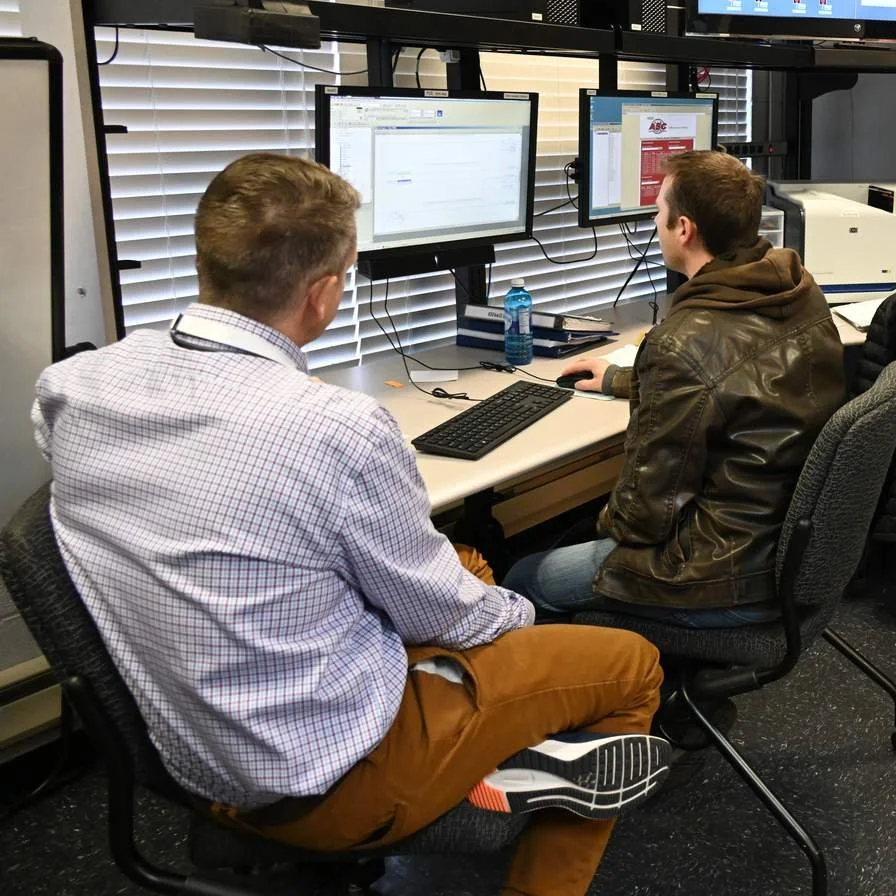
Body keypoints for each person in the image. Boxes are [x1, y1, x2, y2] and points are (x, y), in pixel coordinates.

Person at [32, 154, 671, 896]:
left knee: (459, 562)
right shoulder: (335, 427)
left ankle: (501, 750)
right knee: (629, 664)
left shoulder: (74, 387)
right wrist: (521, 622)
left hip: (186, 761)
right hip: (335, 782)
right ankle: (509, 791)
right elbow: (447, 613)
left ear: (210, 261)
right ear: (325, 291)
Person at [503, 151, 845, 626]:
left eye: (658, 210)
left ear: (683, 229)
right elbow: (728, 377)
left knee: (523, 576)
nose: (653, 219)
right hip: (783, 544)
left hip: (717, 573)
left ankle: (603, 686)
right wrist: (623, 378)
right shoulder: (796, 288)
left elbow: (642, 518)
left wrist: (591, 528)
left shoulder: (684, 341)